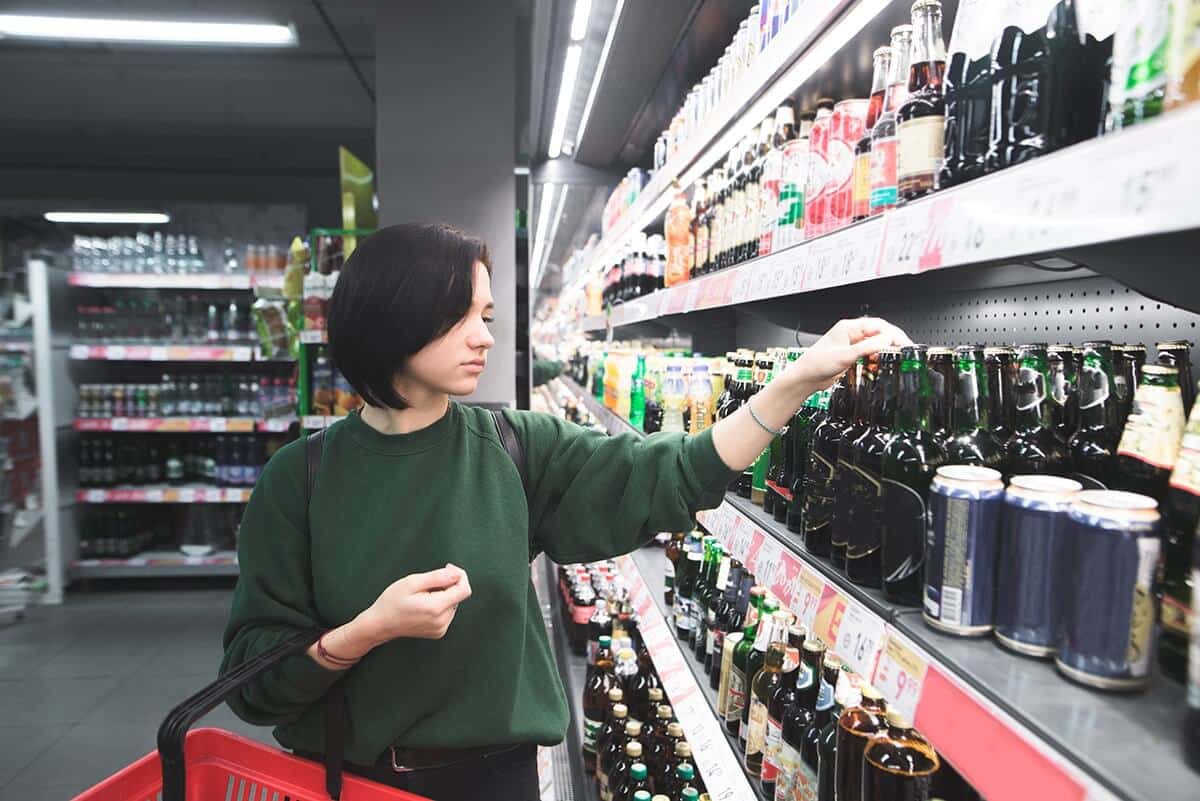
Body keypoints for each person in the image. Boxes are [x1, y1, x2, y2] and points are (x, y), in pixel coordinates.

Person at [220, 223, 910, 800]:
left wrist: (793, 384)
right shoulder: (299, 483)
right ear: (393, 315)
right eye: (460, 317)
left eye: (485, 317)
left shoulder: (515, 448)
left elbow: (666, 473)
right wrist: (366, 630)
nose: (485, 338)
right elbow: (253, 683)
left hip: (497, 780)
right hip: (349, 782)